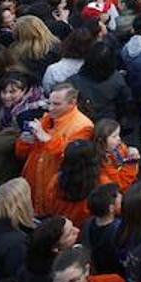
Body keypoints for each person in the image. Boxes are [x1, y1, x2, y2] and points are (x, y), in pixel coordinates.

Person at [16, 81, 94, 215]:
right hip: (34, 186)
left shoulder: (83, 126)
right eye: (49, 103)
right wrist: (25, 141)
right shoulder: (46, 118)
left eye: (56, 104)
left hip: (55, 191)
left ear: (72, 102)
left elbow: (73, 157)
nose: (50, 108)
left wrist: (47, 138)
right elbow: (22, 154)